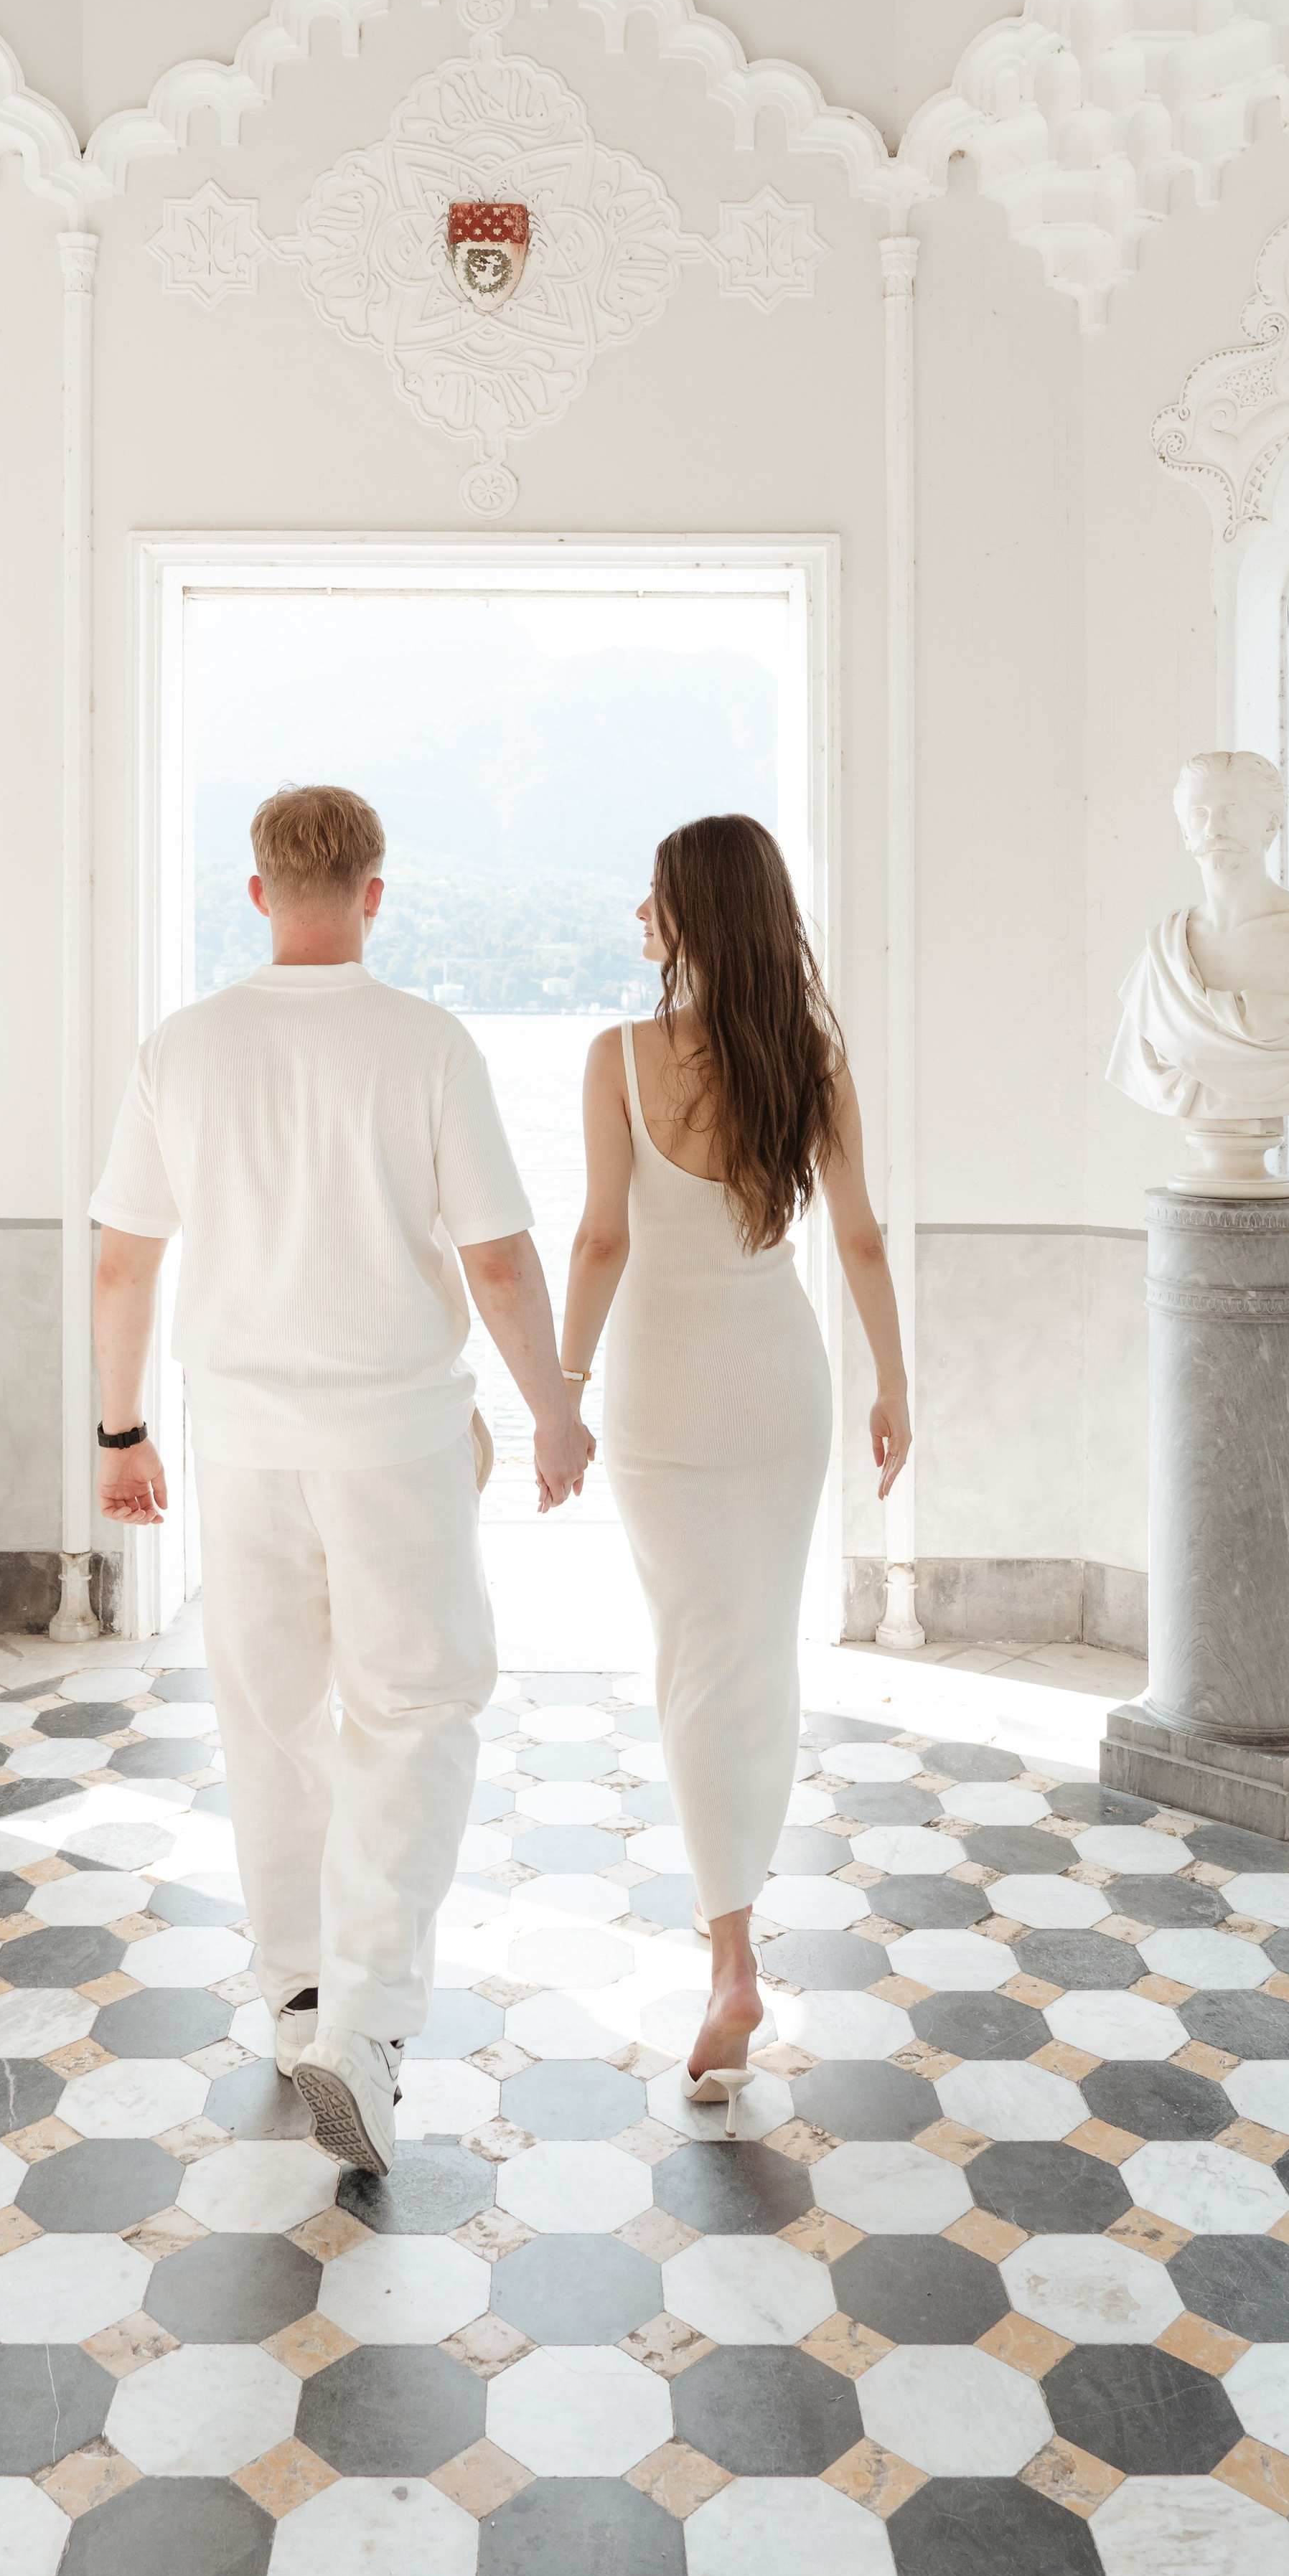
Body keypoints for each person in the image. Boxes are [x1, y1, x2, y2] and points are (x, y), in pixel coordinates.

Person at [89, 784, 591, 2176]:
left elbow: (124, 1260)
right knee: (414, 1712)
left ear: (257, 893)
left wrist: (121, 1434)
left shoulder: (182, 1047)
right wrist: (554, 1410)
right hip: (396, 1440)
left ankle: (298, 1994)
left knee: (270, 1715)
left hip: (239, 1437)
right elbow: (498, 1258)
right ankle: (364, 2026)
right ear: (375, 893)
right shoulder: (425, 1041)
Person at [560, 814, 909, 2118]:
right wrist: (894, 1383)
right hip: (782, 1392)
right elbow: (860, 1238)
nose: (639, 917)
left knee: (696, 1660)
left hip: (663, 1395)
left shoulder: (617, 1056)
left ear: (694, 913)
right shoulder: (811, 1060)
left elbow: (601, 1241)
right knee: (755, 1652)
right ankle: (737, 1945)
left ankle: (732, 1962)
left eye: (654, 898)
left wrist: (559, 1393)